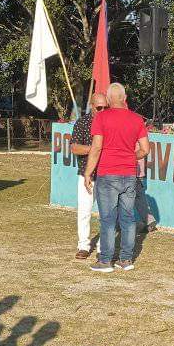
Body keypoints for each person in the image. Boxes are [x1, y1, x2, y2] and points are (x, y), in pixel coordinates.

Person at [84, 83, 150, 273]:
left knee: (108, 219)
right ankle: (126, 259)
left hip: (107, 174)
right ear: (125, 97)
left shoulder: (102, 117)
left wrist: (88, 172)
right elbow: (145, 149)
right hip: (129, 174)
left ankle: (105, 261)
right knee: (128, 218)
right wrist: (130, 156)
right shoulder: (137, 119)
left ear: (108, 98)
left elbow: (96, 147)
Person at [70, 94, 107, 259]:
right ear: (91, 106)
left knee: (106, 214)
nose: (103, 110)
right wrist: (95, 149)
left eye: (106, 107)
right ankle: (83, 245)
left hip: (107, 174)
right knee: (84, 211)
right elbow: (74, 148)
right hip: (87, 174)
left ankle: (102, 247)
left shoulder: (110, 123)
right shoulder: (82, 123)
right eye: (99, 107)